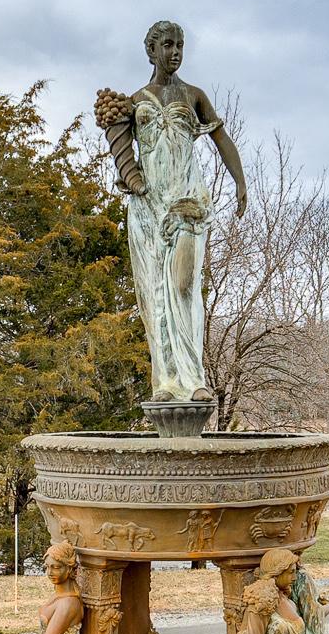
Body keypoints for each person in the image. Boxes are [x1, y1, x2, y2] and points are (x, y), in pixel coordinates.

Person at [95, 20, 247, 403]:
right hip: (147, 205)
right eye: (167, 45)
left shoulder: (194, 96)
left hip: (186, 203)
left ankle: (193, 377)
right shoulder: (136, 100)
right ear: (151, 51)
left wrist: (240, 182)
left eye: (180, 45)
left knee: (184, 285)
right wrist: (130, 174)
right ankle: (165, 382)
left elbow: (221, 139)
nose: (175, 52)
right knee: (154, 291)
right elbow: (121, 152)